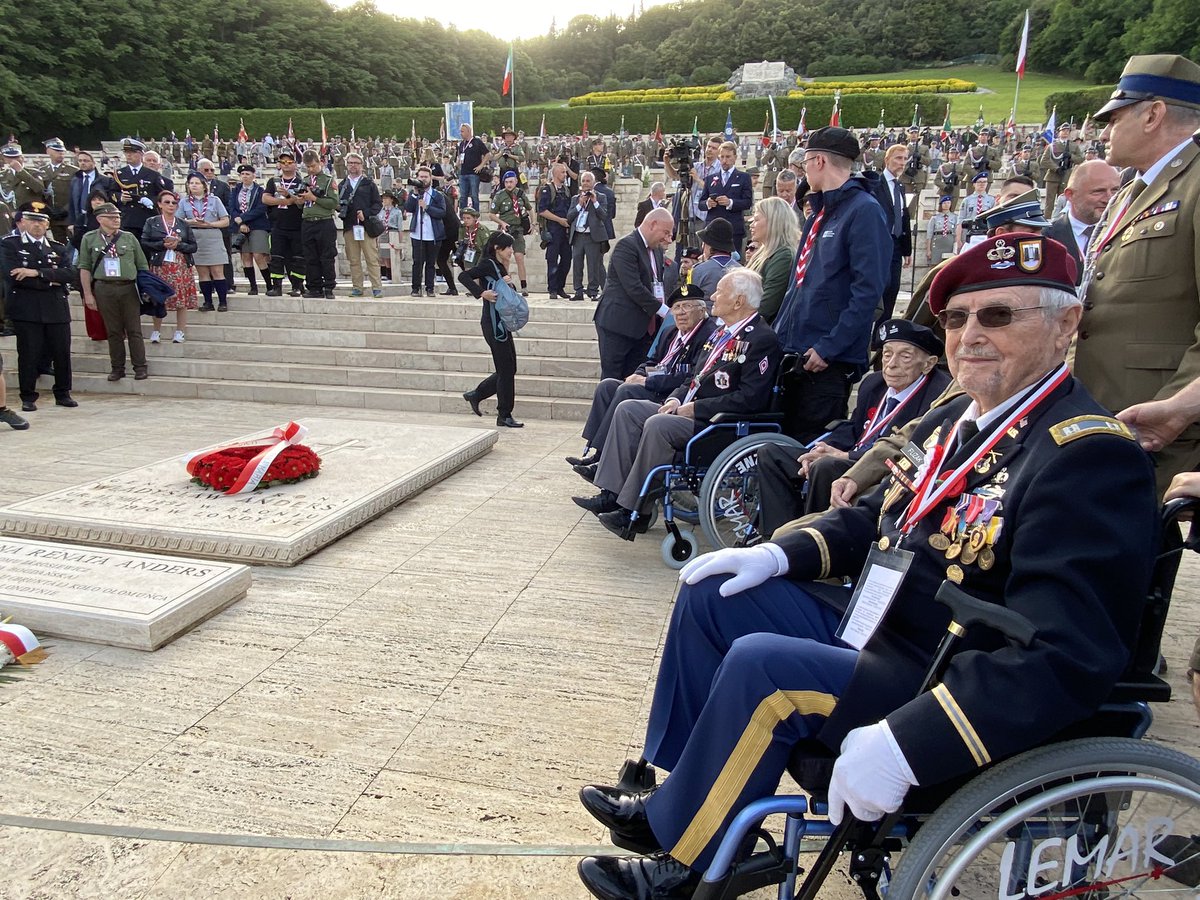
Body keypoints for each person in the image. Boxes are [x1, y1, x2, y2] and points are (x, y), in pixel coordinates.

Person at [576, 233, 1159, 899]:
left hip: (944, 674)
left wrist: (911, 741)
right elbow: (871, 518)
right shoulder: (964, 421)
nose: (969, 335)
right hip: (883, 628)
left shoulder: (1084, 454)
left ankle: (696, 859)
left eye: (999, 315)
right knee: (715, 594)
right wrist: (775, 551)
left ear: (1067, 325)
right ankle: (686, 798)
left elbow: (1066, 656)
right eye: (958, 318)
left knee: (764, 667)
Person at [575, 268, 781, 541]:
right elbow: (696, 377)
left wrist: (694, 408)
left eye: (720, 291)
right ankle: (611, 494)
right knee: (629, 409)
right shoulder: (723, 334)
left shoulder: (760, 339)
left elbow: (750, 398)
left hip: (718, 424)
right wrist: (676, 397)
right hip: (692, 411)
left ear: (739, 301)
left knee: (658, 425)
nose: (713, 296)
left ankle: (634, 512)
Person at [1077, 52, 1200, 496]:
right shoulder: (1134, 188)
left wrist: (1180, 406)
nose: (1106, 132)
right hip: (1108, 413)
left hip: (1160, 424)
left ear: (1153, 114)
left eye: (1115, 118)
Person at [756, 319, 949, 534]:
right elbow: (853, 427)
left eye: (904, 356)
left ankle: (813, 536)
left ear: (929, 363)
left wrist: (844, 457)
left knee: (825, 466)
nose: (891, 364)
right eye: (887, 354)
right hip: (847, 454)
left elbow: (911, 452)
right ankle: (775, 536)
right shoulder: (874, 383)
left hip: (883, 471)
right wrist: (822, 447)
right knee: (771, 453)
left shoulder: (937, 396)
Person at [771, 127, 891, 442]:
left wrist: (829, 347)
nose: (803, 171)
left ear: (819, 161)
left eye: (806, 162)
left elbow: (867, 293)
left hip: (825, 361)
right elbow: (799, 286)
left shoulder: (864, 210)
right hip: (795, 352)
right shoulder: (820, 213)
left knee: (805, 449)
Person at [570, 293, 716, 473]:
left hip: (668, 392)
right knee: (607, 386)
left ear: (702, 310)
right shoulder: (672, 333)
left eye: (687, 307)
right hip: (656, 382)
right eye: (676, 308)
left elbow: (689, 377)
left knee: (626, 392)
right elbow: (652, 362)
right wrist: (638, 374)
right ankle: (597, 451)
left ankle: (603, 461)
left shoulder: (707, 335)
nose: (680, 313)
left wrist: (648, 381)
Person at [0, 204, 77, 411]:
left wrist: (36, 273)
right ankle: (28, 396)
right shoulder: (10, 244)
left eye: (41, 221)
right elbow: (13, 276)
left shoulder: (57, 246)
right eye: (32, 220)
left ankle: (63, 393)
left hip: (56, 308)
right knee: (28, 354)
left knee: (61, 353)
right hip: (27, 308)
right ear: (22, 222)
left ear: (48, 224)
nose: (37, 225)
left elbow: (70, 274)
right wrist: (52, 279)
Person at [592, 208, 675, 381]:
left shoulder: (657, 251)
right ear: (653, 224)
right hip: (618, 326)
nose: (668, 239)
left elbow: (656, 284)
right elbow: (634, 287)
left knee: (634, 380)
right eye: (666, 232)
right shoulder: (626, 246)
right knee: (612, 380)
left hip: (644, 329)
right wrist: (665, 312)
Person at [78, 202, 150, 381]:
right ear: (100, 219)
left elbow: (142, 265)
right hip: (104, 287)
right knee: (113, 330)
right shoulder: (89, 238)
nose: (116, 220)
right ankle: (117, 367)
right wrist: (87, 294)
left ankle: (140, 366)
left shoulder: (128, 238)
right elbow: (84, 267)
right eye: (111, 217)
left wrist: (147, 289)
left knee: (134, 329)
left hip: (128, 287)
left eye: (118, 217)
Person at [458, 231, 523, 428]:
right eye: (508, 247)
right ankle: (504, 414)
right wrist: (481, 293)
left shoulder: (499, 265)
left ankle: (477, 394)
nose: (512, 250)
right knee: (505, 369)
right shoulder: (488, 263)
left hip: (501, 322)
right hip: (493, 324)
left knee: (509, 367)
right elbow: (463, 276)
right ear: (497, 248)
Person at [1043, 159, 1120, 280]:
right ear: (1070, 195)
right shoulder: (1046, 238)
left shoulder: (1126, 232)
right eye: (1098, 191)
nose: (1109, 199)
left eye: (1115, 190)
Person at [141, 190, 199, 345]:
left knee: (182, 300)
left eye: (174, 203)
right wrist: (162, 244)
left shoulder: (183, 224)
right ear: (159, 204)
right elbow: (144, 242)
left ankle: (180, 331)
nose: (171, 205)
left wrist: (179, 244)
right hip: (160, 264)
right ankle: (156, 330)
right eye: (167, 202)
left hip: (180, 265)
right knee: (158, 298)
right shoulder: (152, 222)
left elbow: (193, 246)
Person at [873, 144, 914, 323]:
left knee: (893, 289)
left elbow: (903, 216)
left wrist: (907, 249)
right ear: (887, 160)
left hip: (896, 244)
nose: (902, 163)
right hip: (880, 244)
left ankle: (881, 337)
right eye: (898, 158)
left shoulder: (900, 187)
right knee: (881, 288)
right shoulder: (875, 185)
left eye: (905, 159)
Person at [178, 173, 231, 312]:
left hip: (212, 235)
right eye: (191, 183)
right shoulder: (184, 202)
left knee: (217, 270)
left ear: (204, 186)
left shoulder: (215, 200)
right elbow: (178, 221)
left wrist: (210, 224)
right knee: (202, 272)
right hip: (195, 236)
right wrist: (191, 222)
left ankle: (222, 302)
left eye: (197, 183)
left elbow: (225, 220)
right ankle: (208, 302)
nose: (194, 185)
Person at [743, 196, 800, 323]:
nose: (751, 225)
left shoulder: (784, 256)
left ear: (774, 222)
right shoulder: (762, 252)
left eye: (756, 220)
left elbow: (767, 305)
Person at [262, 149, 307, 297]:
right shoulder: (273, 181)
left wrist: (290, 195)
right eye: (283, 162)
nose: (286, 165)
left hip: (296, 225)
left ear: (295, 164)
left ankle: (297, 286)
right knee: (276, 257)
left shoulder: (301, 182)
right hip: (277, 225)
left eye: (289, 162)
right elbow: (265, 199)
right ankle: (277, 287)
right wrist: (285, 201)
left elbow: (301, 201)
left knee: (297, 258)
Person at [339, 152, 384, 298]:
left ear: (361, 165)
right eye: (350, 163)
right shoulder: (342, 185)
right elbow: (339, 205)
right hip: (349, 226)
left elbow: (378, 204)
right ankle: (357, 287)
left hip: (366, 226)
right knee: (353, 259)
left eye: (356, 163)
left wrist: (366, 213)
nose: (353, 165)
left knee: (371, 258)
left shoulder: (368, 183)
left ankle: (376, 287)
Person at [697, 141, 753, 254]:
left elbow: (747, 202)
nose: (724, 160)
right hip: (712, 228)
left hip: (733, 228)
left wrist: (730, 203)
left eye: (728, 157)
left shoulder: (743, 177)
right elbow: (700, 204)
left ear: (735, 157)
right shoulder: (710, 178)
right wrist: (708, 203)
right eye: (722, 157)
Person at [299, 149, 339, 300]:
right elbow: (299, 204)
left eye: (313, 166)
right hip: (308, 221)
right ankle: (314, 286)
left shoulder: (328, 180)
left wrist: (313, 197)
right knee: (310, 257)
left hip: (324, 222)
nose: (311, 169)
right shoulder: (305, 180)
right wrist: (299, 199)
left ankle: (329, 286)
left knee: (327, 256)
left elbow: (333, 203)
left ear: (320, 163)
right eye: (308, 167)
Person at [111, 138, 169, 242]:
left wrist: (152, 200)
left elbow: (162, 195)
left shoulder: (153, 175)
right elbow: (112, 192)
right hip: (127, 218)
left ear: (141, 154)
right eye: (126, 152)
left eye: (132, 152)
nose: (129, 155)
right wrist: (120, 197)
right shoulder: (120, 174)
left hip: (146, 217)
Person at [567, 171, 612, 302]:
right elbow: (569, 217)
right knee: (577, 264)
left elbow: (604, 216)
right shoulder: (575, 198)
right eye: (583, 181)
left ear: (593, 183)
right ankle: (578, 291)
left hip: (593, 236)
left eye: (588, 181)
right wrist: (579, 205)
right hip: (578, 236)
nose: (585, 183)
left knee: (593, 265)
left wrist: (595, 201)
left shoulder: (601, 197)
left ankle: (593, 291)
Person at [228, 164, 272, 296]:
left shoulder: (260, 190)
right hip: (240, 226)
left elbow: (261, 208)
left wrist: (243, 219)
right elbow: (231, 206)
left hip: (257, 225)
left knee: (258, 254)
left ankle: (269, 284)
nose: (245, 176)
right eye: (243, 174)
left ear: (253, 175)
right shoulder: (236, 190)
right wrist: (238, 220)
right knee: (245, 255)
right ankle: (253, 286)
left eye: (248, 174)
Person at [404, 164, 445, 298]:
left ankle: (430, 288)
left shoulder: (437, 195)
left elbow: (442, 212)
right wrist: (415, 194)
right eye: (421, 177)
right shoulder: (414, 194)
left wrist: (427, 208)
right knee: (417, 262)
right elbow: (409, 208)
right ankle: (415, 288)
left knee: (431, 263)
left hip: (433, 234)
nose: (423, 179)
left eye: (425, 177)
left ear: (430, 179)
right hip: (418, 233)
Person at [488, 170, 531, 296]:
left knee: (519, 257)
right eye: (506, 182)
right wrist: (501, 222)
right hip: (505, 230)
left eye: (511, 182)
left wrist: (533, 223)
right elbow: (491, 214)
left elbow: (530, 208)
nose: (509, 184)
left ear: (516, 181)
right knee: (505, 259)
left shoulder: (521, 194)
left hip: (518, 229)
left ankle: (524, 286)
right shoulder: (499, 195)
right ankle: (505, 283)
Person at [68, 151, 116, 251]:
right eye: (80, 161)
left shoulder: (106, 181)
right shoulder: (75, 180)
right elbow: (72, 203)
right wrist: (71, 223)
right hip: (80, 221)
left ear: (94, 163)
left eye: (85, 160)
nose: (82, 163)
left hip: (98, 221)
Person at [538, 162, 572, 299]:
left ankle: (560, 287)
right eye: (562, 172)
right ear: (556, 174)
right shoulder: (547, 189)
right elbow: (542, 211)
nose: (565, 175)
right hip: (553, 229)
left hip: (565, 230)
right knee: (552, 260)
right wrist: (559, 220)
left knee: (567, 259)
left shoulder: (566, 190)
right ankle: (552, 289)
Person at [688, 218, 741, 302]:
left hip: (706, 314)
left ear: (708, 244)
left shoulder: (697, 270)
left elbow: (689, 300)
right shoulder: (742, 270)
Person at [1040, 122, 1084, 218]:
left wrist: (1071, 156)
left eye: (1067, 130)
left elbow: (1081, 159)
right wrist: (1056, 168)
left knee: (1065, 201)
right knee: (1049, 202)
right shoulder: (1052, 146)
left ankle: (1063, 220)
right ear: (1059, 132)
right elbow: (1044, 161)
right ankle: (1046, 220)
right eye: (1063, 130)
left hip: (1066, 175)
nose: (1065, 132)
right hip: (1053, 176)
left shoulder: (1073, 146)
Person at [38, 138, 77, 244]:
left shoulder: (73, 171)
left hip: (67, 215)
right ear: (48, 151)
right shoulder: (42, 171)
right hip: (51, 214)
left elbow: (76, 193)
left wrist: (65, 209)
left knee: (72, 244)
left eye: (62, 151)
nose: (60, 154)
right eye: (56, 151)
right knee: (57, 245)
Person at [955, 172, 996, 251]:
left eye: (984, 182)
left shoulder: (991, 200)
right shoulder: (967, 200)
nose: (982, 184)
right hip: (969, 234)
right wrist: (958, 239)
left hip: (985, 234)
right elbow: (960, 220)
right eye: (979, 182)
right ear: (974, 184)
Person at [455, 123, 491, 212]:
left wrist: (481, 165)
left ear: (468, 131)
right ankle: (463, 216)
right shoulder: (461, 144)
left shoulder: (477, 142)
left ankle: (475, 215)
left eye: (462, 131)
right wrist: (458, 162)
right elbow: (460, 156)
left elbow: (487, 154)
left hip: (474, 173)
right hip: (463, 173)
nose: (461, 133)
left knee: (474, 195)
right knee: (463, 196)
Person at [436, 195, 461, 295]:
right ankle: (453, 288)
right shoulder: (443, 197)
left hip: (449, 232)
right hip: (452, 231)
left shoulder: (438, 198)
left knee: (442, 260)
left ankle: (453, 288)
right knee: (459, 260)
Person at [377, 191, 404, 283]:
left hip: (393, 231)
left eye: (386, 198)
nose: (384, 200)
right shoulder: (381, 211)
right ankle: (384, 274)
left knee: (392, 254)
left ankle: (391, 275)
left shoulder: (397, 212)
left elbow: (400, 227)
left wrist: (400, 241)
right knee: (382, 254)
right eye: (383, 198)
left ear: (391, 200)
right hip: (382, 231)